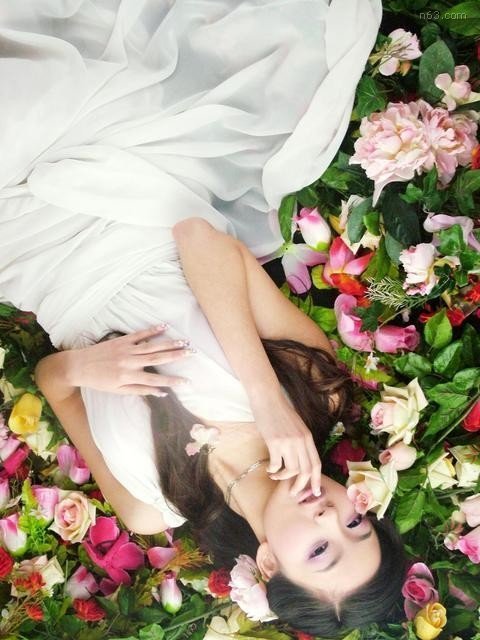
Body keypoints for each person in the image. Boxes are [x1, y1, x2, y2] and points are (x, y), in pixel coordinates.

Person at [1, 0, 407, 636]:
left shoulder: (149, 506)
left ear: (268, 564)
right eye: (357, 523)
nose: (331, 517)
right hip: (128, 195)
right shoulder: (315, 392)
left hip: (31, 257)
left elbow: (52, 381)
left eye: (320, 551)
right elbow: (200, 237)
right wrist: (268, 402)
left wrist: (87, 367)